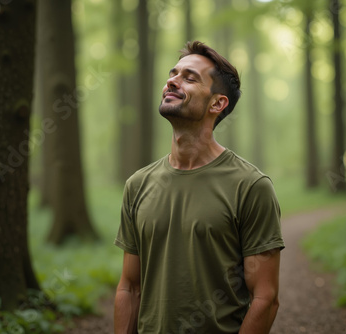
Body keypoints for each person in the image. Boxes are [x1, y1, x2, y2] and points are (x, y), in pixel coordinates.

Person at [114, 41, 285, 334]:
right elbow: (129, 287)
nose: (172, 81)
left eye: (189, 78)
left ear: (217, 103)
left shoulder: (250, 186)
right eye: (173, 74)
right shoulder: (138, 184)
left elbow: (265, 298)